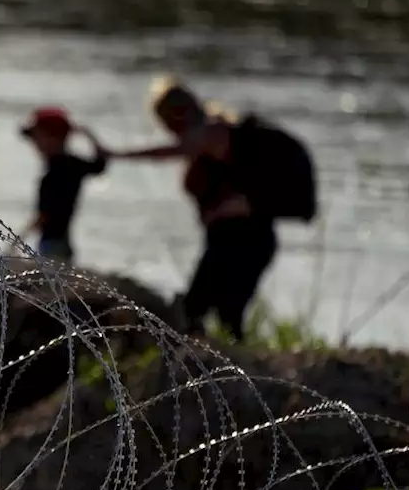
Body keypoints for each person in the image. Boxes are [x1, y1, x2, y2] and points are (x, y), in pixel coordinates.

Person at [107, 77, 312, 342]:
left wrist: (117, 155)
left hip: (244, 241)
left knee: (211, 310)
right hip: (230, 241)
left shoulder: (214, 132)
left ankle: (222, 371)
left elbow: (173, 151)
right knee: (213, 311)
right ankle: (218, 367)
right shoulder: (215, 137)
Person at [18, 106, 108, 263]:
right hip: (64, 241)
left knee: (49, 282)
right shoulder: (74, 165)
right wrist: (88, 134)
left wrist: (19, 239)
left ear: (55, 138)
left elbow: (43, 216)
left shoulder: (53, 173)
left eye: (37, 137)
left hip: (51, 243)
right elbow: (100, 164)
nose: (35, 144)